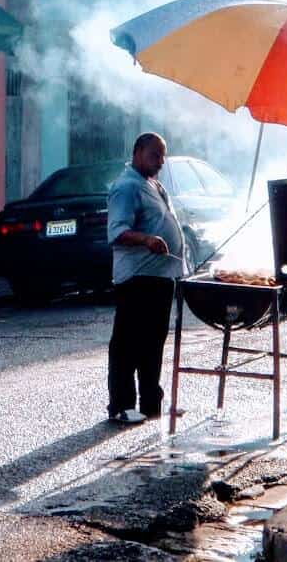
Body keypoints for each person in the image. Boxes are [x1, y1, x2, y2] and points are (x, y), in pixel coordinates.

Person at [105, 132, 187, 424]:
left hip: (161, 278)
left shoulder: (153, 184)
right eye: (155, 155)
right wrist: (147, 239)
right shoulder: (127, 188)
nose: (160, 161)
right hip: (137, 278)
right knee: (128, 343)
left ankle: (151, 404)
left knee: (153, 343)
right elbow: (116, 231)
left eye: (163, 155)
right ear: (138, 152)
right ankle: (122, 406)